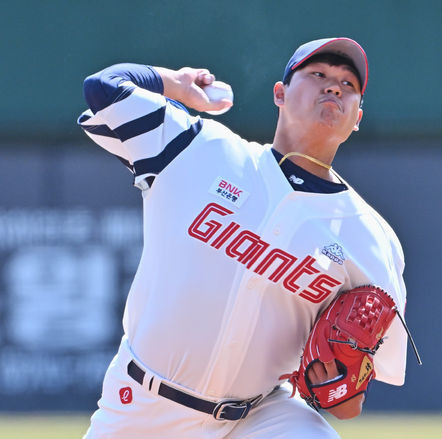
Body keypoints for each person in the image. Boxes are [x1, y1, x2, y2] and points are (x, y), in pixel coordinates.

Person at [78, 37, 409, 438]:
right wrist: (176, 85)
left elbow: (350, 402)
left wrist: (337, 386)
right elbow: (104, 88)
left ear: (357, 117)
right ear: (280, 94)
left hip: (261, 415)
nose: (334, 86)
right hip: (143, 406)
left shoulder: (372, 240)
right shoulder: (198, 147)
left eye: (348, 85)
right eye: (318, 74)